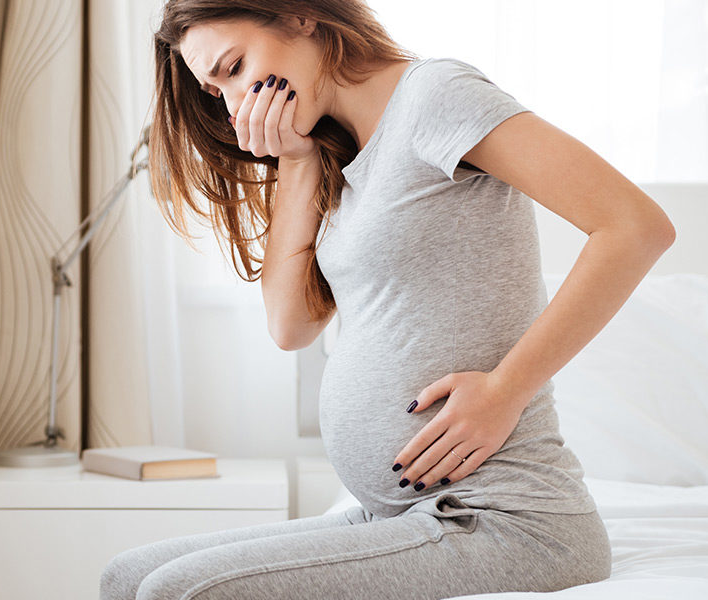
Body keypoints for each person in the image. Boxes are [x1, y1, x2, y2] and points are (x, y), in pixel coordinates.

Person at [101, 1, 676, 599]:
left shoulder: (435, 96)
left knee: (177, 592)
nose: (239, 102)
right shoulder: (338, 157)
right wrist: (296, 161)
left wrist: (507, 389)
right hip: (400, 515)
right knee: (124, 578)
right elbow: (290, 326)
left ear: (298, 15)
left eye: (236, 66)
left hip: (505, 518)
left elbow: (635, 227)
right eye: (218, 91)